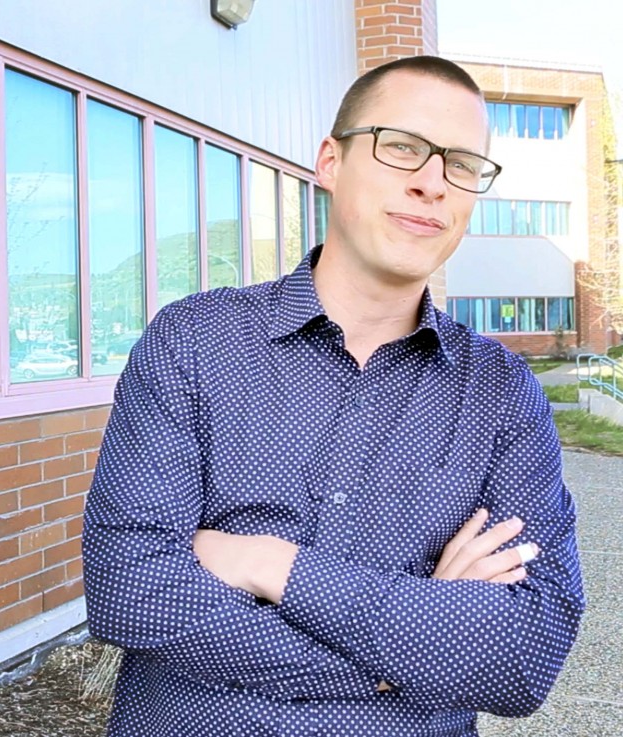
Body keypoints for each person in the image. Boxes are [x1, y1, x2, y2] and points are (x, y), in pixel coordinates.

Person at [81, 55, 584, 736]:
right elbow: (130, 589)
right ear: (330, 162)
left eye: (462, 163)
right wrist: (407, 650)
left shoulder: (502, 394)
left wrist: (267, 562)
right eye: (402, 147)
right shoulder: (194, 343)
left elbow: (526, 654)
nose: (432, 183)